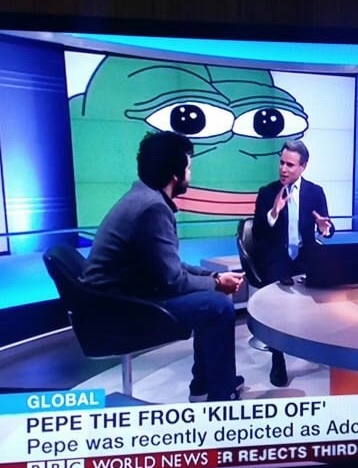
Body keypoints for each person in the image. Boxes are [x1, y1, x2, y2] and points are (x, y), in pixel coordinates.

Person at [81, 131, 245, 402]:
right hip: (119, 312)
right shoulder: (152, 208)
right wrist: (217, 283)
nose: (190, 175)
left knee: (212, 299)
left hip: (122, 298)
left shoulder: (143, 197)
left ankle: (204, 385)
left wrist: (213, 276)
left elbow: (170, 264)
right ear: (175, 175)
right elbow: (172, 280)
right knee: (217, 306)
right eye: (188, 168)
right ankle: (220, 396)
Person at [252, 139, 335, 387]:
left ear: (303, 166)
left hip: (305, 254)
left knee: (331, 287)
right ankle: (277, 358)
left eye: (290, 164)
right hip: (277, 256)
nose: (283, 169)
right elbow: (257, 232)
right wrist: (274, 213)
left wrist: (325, 229)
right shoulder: (267, 192)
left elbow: (327, 229)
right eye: (281, 163)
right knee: (276, 296)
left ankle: (323, 345)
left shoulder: (315, 192)